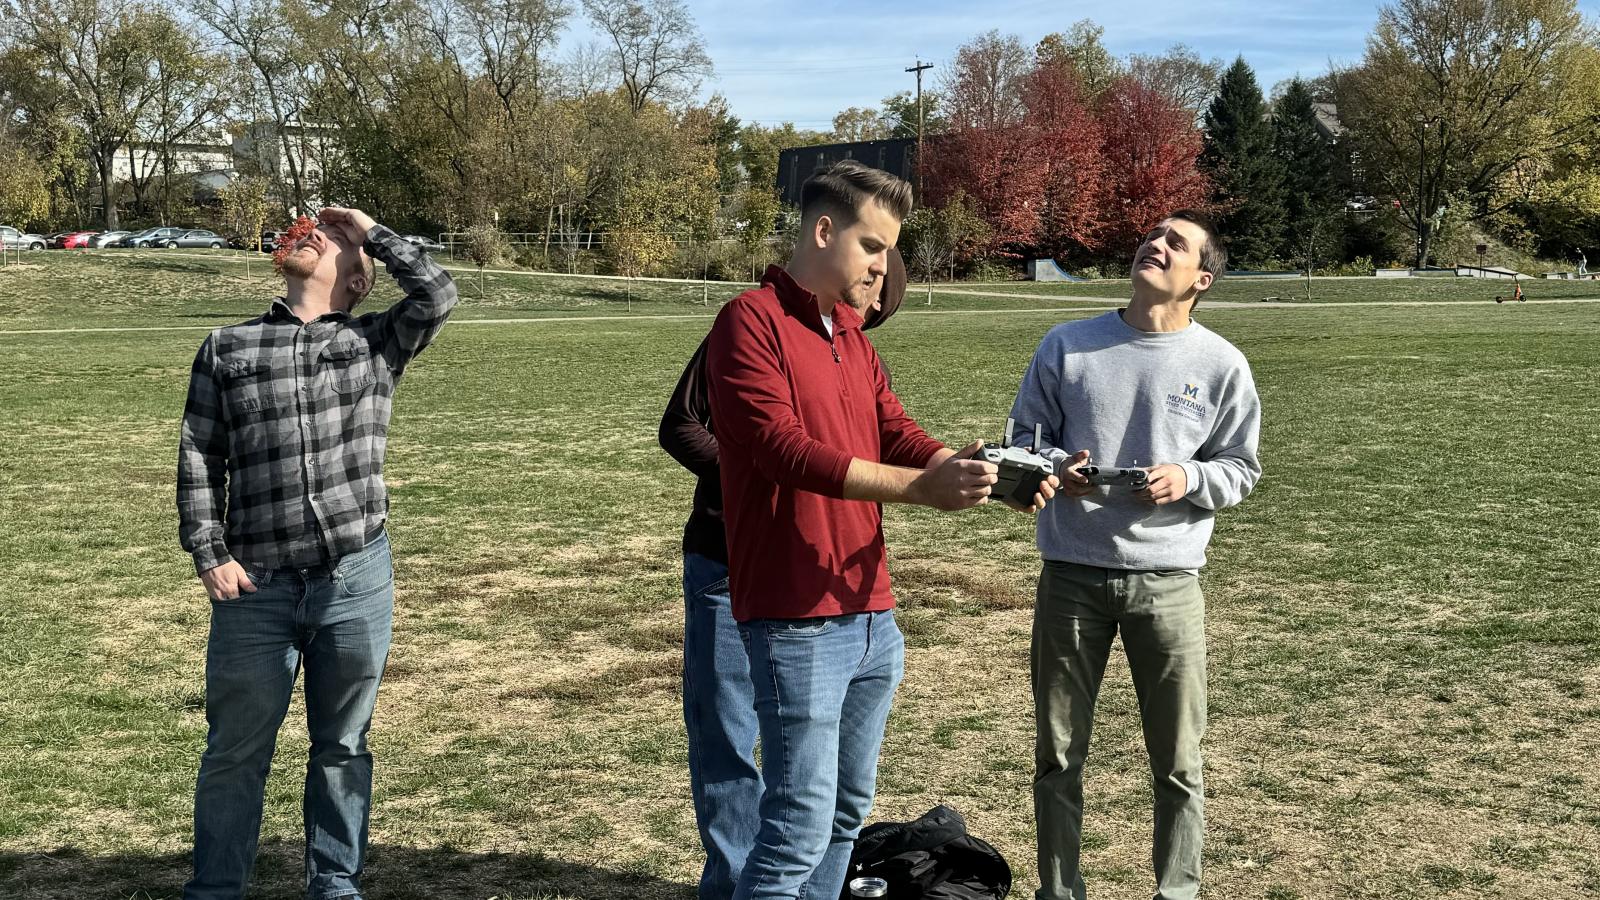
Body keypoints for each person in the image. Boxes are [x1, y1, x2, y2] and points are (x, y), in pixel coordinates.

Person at [705, 160, 1059, 900]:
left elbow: (893, 430)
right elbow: (780, 448)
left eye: (889, 249)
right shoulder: (749, 321)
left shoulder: (854, 337)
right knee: (796, 825)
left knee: (842, 814)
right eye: (873, 245)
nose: (883, 265)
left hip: (871, 611)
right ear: (824, 230)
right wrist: (921, 490)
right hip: (796, 617)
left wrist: (982, 472)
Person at [176, 206, 458, 900]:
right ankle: (215, 889)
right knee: (235, 752)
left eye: (330, 240)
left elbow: (438, 292)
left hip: (355, 578)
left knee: (342, 747)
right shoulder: (228, 346)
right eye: (307, 232)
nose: (311, 235)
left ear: (359, 279)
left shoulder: (377, 342)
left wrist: (372, 230)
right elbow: (198, 455)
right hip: (255, 587)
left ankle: (334, 882)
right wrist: (209, 551)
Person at [1007, 210, 1261, 900]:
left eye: (1176, 243)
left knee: (1178, 761)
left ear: (1200, 279)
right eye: (1152, 234)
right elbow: (1022, 440)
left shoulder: (1221, 364)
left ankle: (1176, 893)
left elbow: (1241, 467)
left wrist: (1190, 478)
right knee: (1057, 757)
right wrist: (1061, 463)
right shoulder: (1067, 346)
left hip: (1170, 583)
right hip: (1071, 576)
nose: (1155, 243)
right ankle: (1059, 892)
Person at [659, 248, 909, 900]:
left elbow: (870, 441)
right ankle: (736, 885)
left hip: (813, 577)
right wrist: (750, 480)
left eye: (870, 319)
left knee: (819, 796)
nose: (857, 323)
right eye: (861, 302)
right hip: (725, 559)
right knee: (730, 744)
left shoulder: (848, 348)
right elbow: (680, 425)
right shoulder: (747, 329)